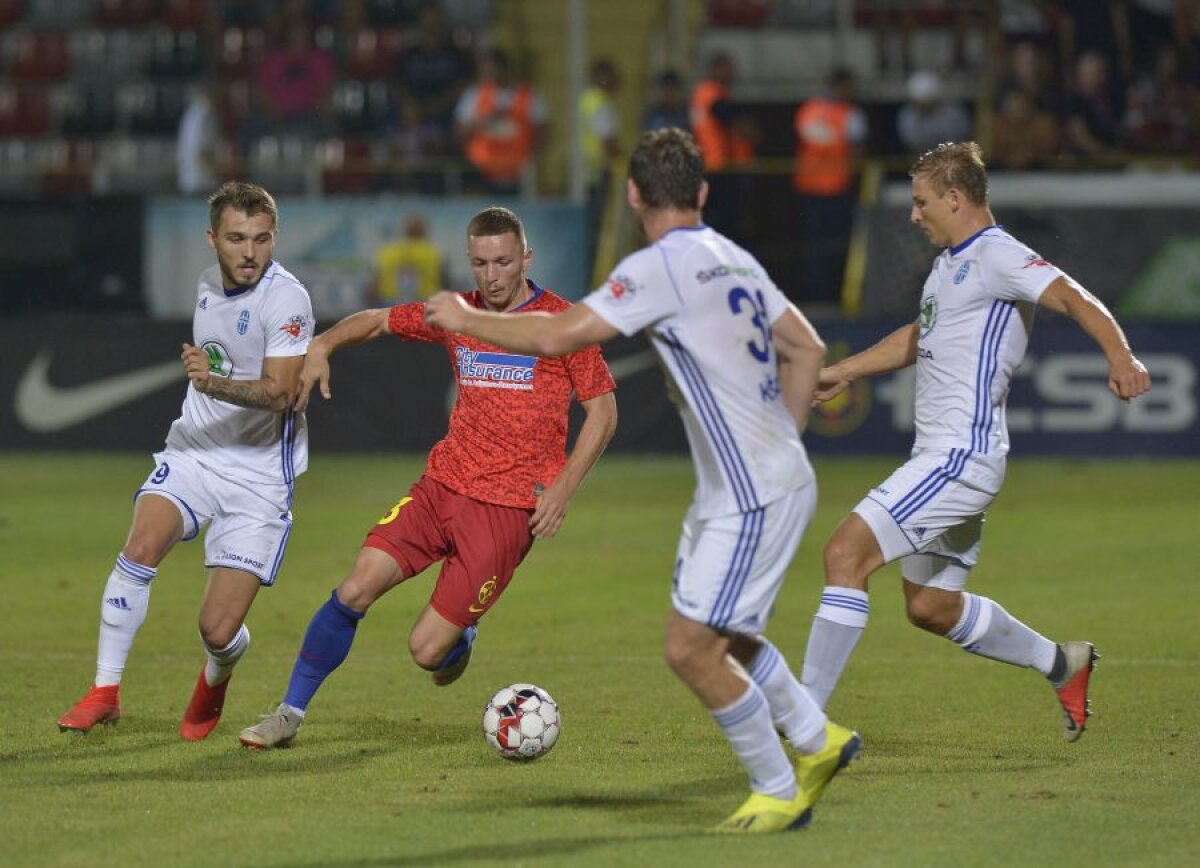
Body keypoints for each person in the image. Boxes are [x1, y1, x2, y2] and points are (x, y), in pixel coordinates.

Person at [425, 129, 859, 835]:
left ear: (632, 196)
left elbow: (556, 336)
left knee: (689, 647)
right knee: (733, 632)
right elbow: (807, 346)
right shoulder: (732, 256)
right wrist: (785, 437)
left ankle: (780, 787)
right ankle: (819, 738)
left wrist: (467, 317)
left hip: (749, 489)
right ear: (704, 193)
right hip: (751, 482)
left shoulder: (662, 267)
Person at [799, 142, 1152, 744]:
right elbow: (922, 335)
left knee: (844, 555)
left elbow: (1072, 296)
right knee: (930, 607)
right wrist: (848, 370)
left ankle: (802, 721)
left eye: (921, 202)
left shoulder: (997, 254)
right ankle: (1060, 662)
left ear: (956, 198)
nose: (914, 215)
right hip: (945, 458)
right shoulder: (949, 265)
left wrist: (1121, 356)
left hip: (958, 458)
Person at [237, 206, 617, 749]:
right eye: (481, 263)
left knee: (426, 652)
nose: (491, 276)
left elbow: (603, 413)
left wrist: (563, 487)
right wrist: (321, 345)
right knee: (357, 584)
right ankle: (289, 713)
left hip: (506, 512)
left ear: (525, 259)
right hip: (441, 487)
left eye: (503, 262)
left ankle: (459, 637)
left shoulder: (564, 323)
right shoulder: (459, 312)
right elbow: (376, 319)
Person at [58, 182, 315, 741]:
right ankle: (104, 690)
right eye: (237, 239)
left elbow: (278, 393)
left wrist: (212, 382)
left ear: (275, 239)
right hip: (196, 451)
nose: (250, 252)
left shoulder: (286, 299)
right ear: (212, 239)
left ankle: (219, 668)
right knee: (141, 545)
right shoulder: (206, 285)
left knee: (217, 628)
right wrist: (208, 387)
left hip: (259, 475)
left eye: (262, 239)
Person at [792, 67, 868, 303]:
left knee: (814, 246)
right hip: (836, 190)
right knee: (835, 246)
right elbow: (857, 153)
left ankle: (816, 296)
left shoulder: (809, 110)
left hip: (810, 189)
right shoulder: (850, 115)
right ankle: (830, 297)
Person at [454, 48, 548, 195]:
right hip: (483, 170)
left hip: (517, 172)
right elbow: (460, 132)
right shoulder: (474, 95)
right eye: (485, 70)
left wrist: (532, 165)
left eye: (492, 70)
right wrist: (484, 121)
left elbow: (541, 135)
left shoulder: (530, 96)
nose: (488, 75)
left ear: (504, 69)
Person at [368, 213, 447, 306]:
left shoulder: (387, 251)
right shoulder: (433, 252)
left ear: (404, 229)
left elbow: (375, 282)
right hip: (424, 303)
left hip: (390, 303)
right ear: (424, 230)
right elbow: (444, 282)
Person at [896, 69, 972, 155]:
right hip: (922, 157)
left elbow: (963, 137)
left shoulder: (954, 113)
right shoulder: (908, 116)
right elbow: (913, 143)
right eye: (919, 103)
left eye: (927, 102)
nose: (923, 106)